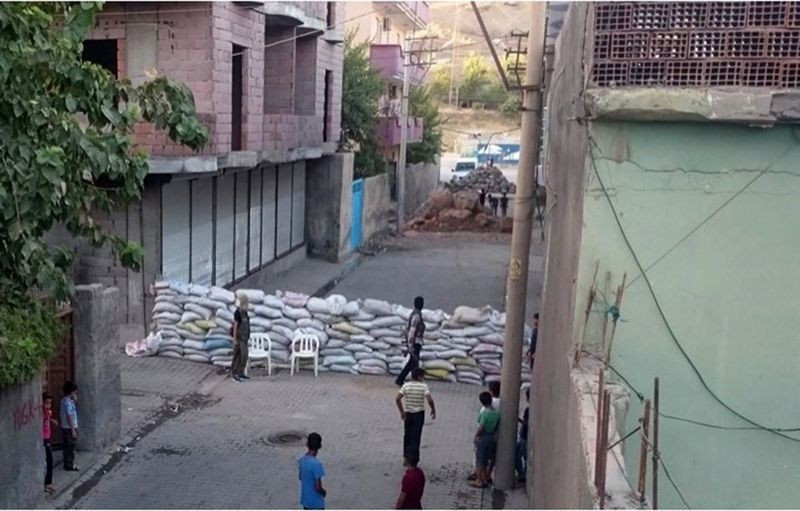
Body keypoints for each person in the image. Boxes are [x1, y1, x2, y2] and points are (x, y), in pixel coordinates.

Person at [396, 368, 436, 462]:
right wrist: (433, 409)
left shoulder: (406, 385)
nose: (424, 378)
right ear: (419, 376)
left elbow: (397, 399)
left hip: (408, 414)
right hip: (419, 414)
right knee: (416, 437)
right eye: (423, 376)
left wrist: (402, 412)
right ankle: (413, 459)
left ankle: (406, 457)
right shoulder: (423, 386)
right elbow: (429, 399)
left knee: (407, 436)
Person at [395, 296, 425, 386]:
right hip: (415, 342)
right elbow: (412, 331)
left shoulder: (415, 314)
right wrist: (410, 345)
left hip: (415, 342)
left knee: (413, 362)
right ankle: (405, 380)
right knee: (413, 362)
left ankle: (403, 379)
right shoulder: (416, 316)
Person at [472, 391, 500, 488]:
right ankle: (484, 479)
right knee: (486, 460)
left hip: (483, 437)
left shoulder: (485, 413)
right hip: (491, 437)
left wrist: (476, 435)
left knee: (479, 460)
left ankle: (479, 480)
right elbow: (497, 425)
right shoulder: (497, 413)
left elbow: (481, 426)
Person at [299, 432, 327, 510]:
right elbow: (317, 487)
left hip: (306, 500)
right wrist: (323, 492)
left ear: (307, 444)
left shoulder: (302, 460)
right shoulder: (317, 464)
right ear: (320, 446)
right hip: (316, 503)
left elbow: (300, 477)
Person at [231, 294, 251, 382]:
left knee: (244, 356)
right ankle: (234, 373)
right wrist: (235, 339)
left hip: (245, 338)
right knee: (238, 356)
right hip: (239, 338)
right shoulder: (237, 312)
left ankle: (241, 372)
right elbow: (235, 326)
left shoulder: (245, 312)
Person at [60, 382, 79, 472]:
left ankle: (66, 463)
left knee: (66, 446)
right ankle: (69, 465)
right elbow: (69, 416)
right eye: (74, 392)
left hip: (65, 427)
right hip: (69, 428)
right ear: (71, 392)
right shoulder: (68, 403)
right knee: (71, 447)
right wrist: (73, 430)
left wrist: (74, 401)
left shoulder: (64, 401)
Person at [42, 393, 59, 492]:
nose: (48, 405)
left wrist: (52, 420)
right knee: (49, 460)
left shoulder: (48, 412)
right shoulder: (42, 413)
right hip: (44, 439)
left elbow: (48, 418)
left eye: (50, 403)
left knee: (49, 460)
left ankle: (48, 483)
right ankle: (47, 483)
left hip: (48, 437)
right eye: (46, 403)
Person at [515, 388, 530, 483]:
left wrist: (517, 419)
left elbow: (526, 423)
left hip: (524, 437)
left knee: (517, 456)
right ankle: (523, 474)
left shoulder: (528, 410)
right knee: (524, 457)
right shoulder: (529, 410)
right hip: (525, 437)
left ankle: (522, 475)